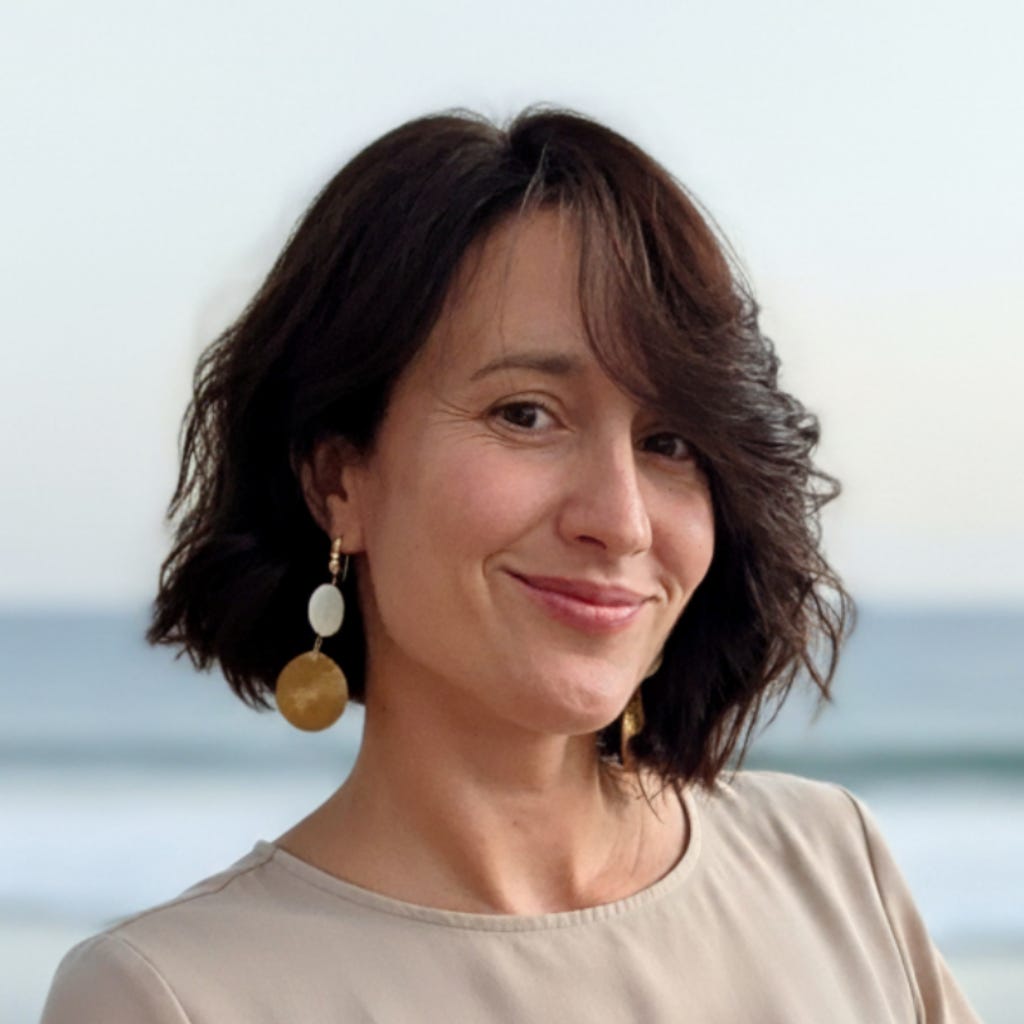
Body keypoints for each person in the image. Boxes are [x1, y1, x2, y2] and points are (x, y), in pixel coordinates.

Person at [42, 108, 980, 1022]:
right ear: (338, 481)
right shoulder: (168, 998)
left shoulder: (833, 870)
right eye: (526, 414)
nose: (620, 522)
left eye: (669, 441)